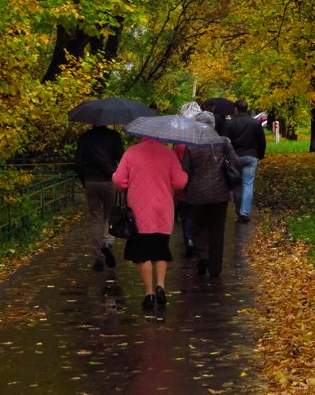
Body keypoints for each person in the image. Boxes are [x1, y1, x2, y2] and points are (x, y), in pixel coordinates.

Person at [112, 138, 188, 309]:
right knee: (160, 248)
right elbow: (180, 182)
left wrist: (119, 177)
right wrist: (184, 174)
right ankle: (160, 286)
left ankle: (149, 293)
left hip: (139, 209)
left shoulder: (131, 152)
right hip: (163, 209)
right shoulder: (168, 153)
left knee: (142, 252)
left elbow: (119, 182)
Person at [180, 111, 240, 277]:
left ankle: (202, 257)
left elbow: (186, 170)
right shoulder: (223, 142)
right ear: (213, 124)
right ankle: (215, 267)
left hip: (197, 194)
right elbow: (235, 162)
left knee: (198, 228)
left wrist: (186, 190)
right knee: (217, 229)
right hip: (220, 194)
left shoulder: (191, 145)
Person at [74, 125, 124, 271]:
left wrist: (85, 180)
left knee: (96, 217)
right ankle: (107, 243)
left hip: (91, 181)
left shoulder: (85, 137)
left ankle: (98, 258)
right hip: (109, 181)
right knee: (110, 216)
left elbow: (77, 163)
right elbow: (122, 158)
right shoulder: (114, 136)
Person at [224, 99, 266, 223]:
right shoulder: (254, 123)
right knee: (248, 184)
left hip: (235, 156)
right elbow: (261, 141)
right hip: (250, 156)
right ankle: (244, 212)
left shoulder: (229, 123)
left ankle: (239, 209)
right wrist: (260, 154)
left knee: (236, 184)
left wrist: (226, 156)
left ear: (236, 109)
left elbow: (225, 141)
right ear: (246, 109)